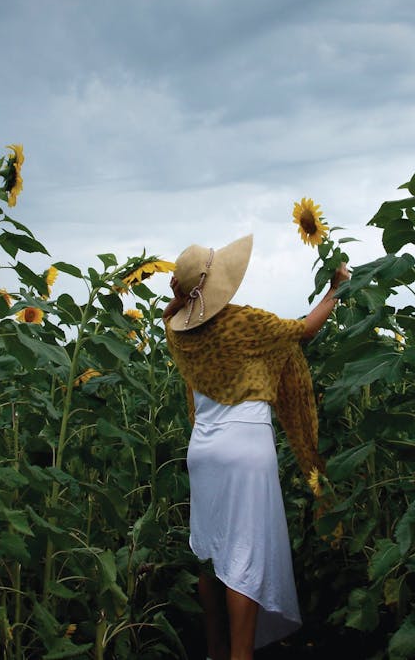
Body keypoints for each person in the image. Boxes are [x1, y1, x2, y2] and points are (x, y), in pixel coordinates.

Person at [161, 234, 350, 660]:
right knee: (243, 556)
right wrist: (335, 289)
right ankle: (241, 655)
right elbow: (303, 330)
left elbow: (168, 316)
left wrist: (179, 300)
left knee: (210, 553)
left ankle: (215, 649)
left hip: (203, 453)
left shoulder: (181, 337)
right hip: (246, 449)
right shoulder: (244, 323)